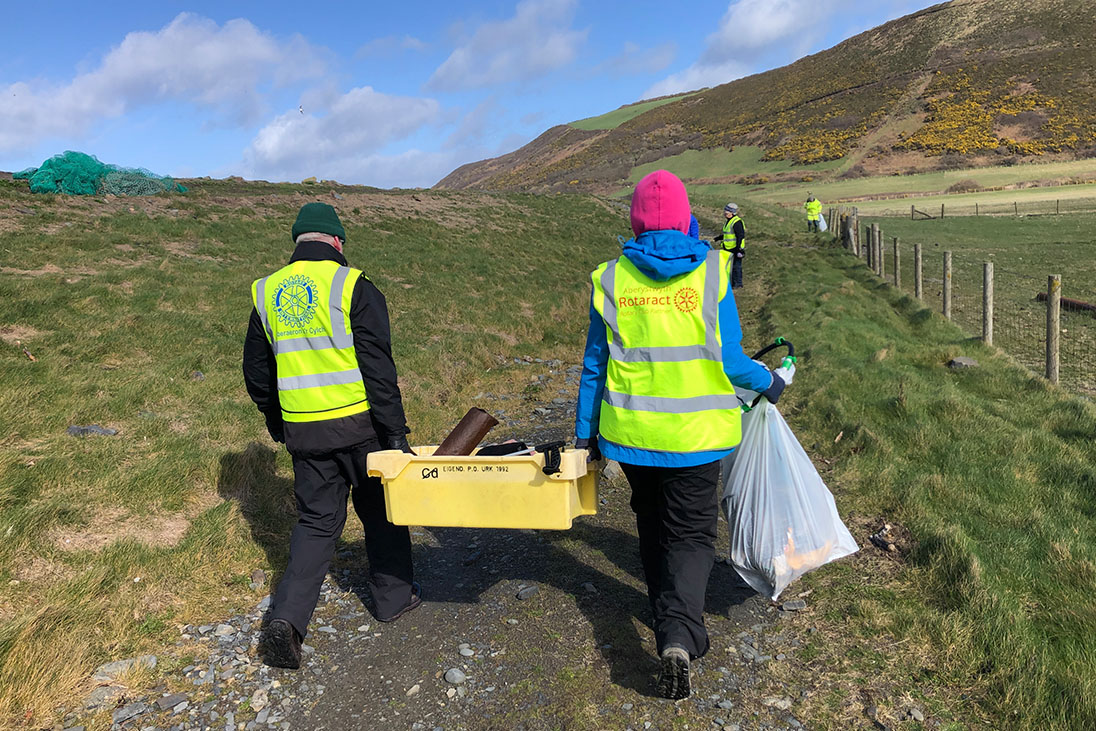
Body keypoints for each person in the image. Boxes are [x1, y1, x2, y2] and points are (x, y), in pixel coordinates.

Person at [573, 170, 786, 700]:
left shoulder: (611, 278)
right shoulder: (713, 273)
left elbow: (594, 368)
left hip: (633, 436)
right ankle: (679, 635)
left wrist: (584, 438)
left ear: (636, 218)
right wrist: (771, 382)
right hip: (698, 437)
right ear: (687, 215)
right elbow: (732, 360)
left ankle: (662, 612)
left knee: (650, 523)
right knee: (692, 535)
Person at [243, 202, 420, 669]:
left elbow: (257, 375)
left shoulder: (266, 292)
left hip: (305, 432)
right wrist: (395, 435)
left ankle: (287, 621)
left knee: (317, 523)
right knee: (381, 512)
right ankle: (392, 600)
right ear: (337, 241)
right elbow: (379, 370)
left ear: (299, 241)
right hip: (362, 429)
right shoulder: (353, 284)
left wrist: (278, 423)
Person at [714, 203, 746, 289]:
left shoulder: (737, 222)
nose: (725, 213)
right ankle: (732, 283)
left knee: (736, 267)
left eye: (727, 212)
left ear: (732, 213)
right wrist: (719, 238)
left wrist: (739, 249)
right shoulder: (729, 221)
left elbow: (740, 236)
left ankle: (738, 284)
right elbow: (728, 234)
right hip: (728, 248)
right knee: (730, 267)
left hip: (735, 248)